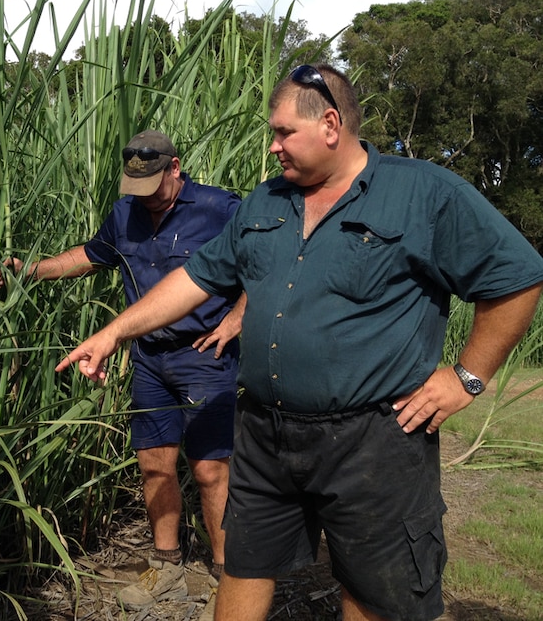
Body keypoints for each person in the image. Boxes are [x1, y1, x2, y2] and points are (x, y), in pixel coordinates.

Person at [55, 65, 543, 621]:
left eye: (284, 132)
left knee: (374, 588)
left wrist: (467, 376)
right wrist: (115, 331)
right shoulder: (266, 202)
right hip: (265, 432)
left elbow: (516, 277)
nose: (272, 146)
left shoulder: (423, 193)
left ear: (331, 124)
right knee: (243, 564)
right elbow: (195, 279)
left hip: (374, 440)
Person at [0, 130, 245, 614]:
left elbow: (262, 263)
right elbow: (91, 256)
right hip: (149, 357)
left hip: (205, 353)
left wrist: (240, 316)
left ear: (175, 168)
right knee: (154, 461)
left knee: (211, 468)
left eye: (154, 185)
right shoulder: (125, 212)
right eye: (137, 188)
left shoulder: (219, 209)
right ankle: (166, 562)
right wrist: (34, 269)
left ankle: (225, 573)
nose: (145, 199)